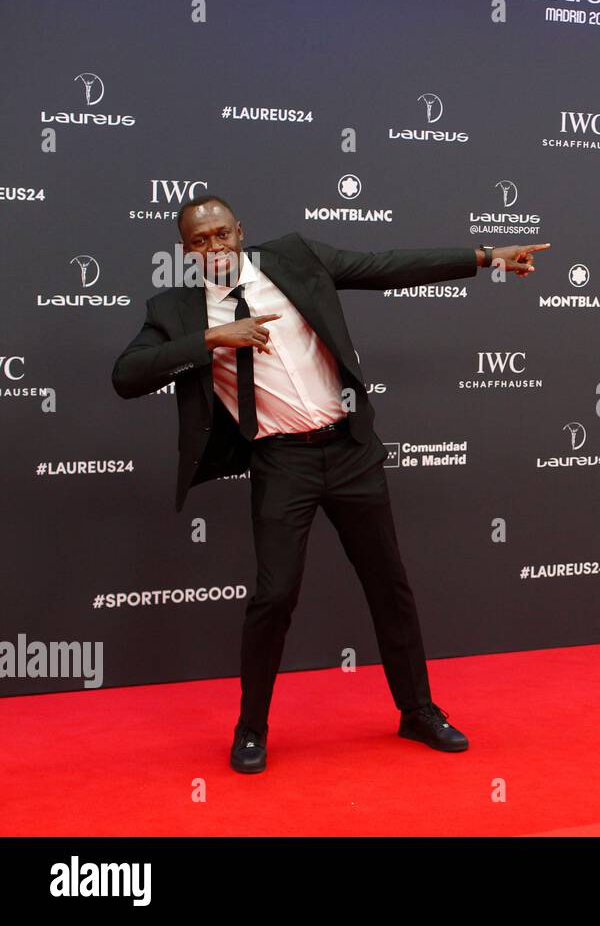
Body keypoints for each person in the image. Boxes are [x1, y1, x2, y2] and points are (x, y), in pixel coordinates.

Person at [111, 192, 550, 773]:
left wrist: (486, 256)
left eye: (221, 234)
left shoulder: (295, 258)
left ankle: (417, 711)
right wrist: (216, 339)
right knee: (274, 595)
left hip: (349, 450)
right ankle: (251, 728)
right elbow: (126, 375)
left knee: (388, 585)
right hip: (280, 460)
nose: (214, 246)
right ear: (185, 250)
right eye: (199, 240)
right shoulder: (176, 309)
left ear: (239, 231)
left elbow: (385, 267)